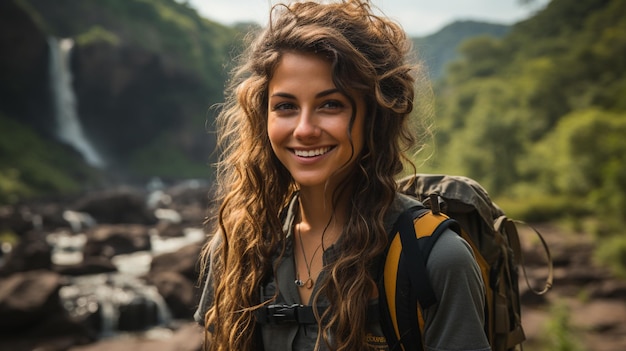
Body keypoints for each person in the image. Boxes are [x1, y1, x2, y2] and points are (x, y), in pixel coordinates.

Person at [194, 1, 490, 350]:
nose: (304, 129)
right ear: (264, 118)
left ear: (374, 117)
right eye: (286, 106)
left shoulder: (434, 259)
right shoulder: (237, 249)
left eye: (330, 104)